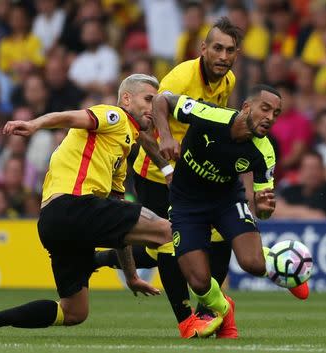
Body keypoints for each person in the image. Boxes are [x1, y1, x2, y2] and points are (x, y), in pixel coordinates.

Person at [0, 74, 174, 337]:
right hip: (75, 205)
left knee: (73, 312)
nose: (154, 107)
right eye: (149, 99)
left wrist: (131, 276)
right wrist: (34, 124)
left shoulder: (119, 151)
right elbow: (70, 117)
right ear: (127, 99)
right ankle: (204, 311)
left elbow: (119, 227)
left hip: (53, 221)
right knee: (167, 231)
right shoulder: (114, 116)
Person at [95, 17, 241, 339]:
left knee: (213, 238)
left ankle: (102, 258)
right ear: (203, 49)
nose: (223, 55)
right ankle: (188, 321)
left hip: (192, 174)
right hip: (156, 174)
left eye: (229, 50)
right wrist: (167, 165)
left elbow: (212, 125)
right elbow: (149, 124)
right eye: (217, 48)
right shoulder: (181, 77)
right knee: (169, 244)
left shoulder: (227, 81)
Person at [151, 85, 304, 332]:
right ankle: (225, 310)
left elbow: (263, 208)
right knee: (199, 283)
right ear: (246, 107)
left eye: (276, 113)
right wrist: (166, 135)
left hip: (227, 201)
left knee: (252, 264)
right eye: (265, 109)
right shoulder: (209, 114)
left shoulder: (265, 152)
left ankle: (285, 268)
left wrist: (263, 208)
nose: (269, 117)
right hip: (186, 204)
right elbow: (161, 100)